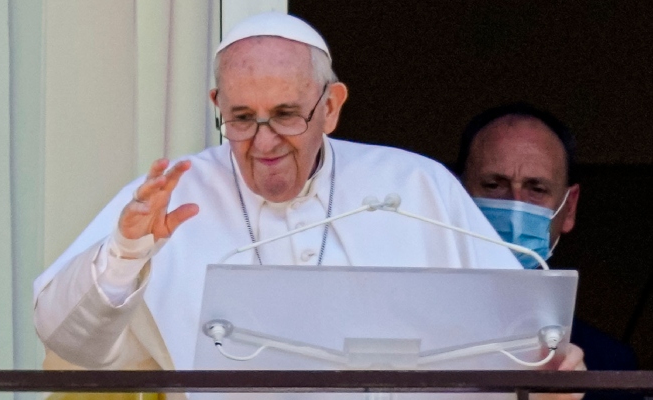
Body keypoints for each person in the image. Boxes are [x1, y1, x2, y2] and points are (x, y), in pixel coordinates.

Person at [34, 12, 583, 395]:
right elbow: (70, 343)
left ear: (332, 106)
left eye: (287, 114)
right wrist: (127, 252)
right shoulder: (172, 196)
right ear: (216, 105)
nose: (265, 142)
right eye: (242, 118)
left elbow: (513, 340)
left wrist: (549, 369)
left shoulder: (418, 185)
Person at [455, 103, 640, 400]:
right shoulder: (406, 332)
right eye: (493, 185)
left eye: (536, 189)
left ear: (569, 207)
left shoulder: (608, 364)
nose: (516, 205)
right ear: (456, 195)